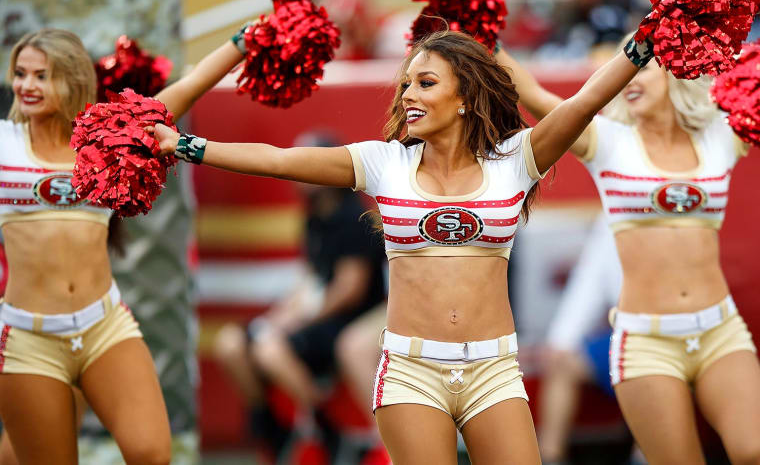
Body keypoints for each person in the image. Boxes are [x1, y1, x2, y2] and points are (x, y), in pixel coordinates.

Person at [149, 28, 650, 464]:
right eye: (407, 83)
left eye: (426, 83)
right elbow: (279, 160)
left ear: (467, 98)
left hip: (493, 369)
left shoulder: (516, 160)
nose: (409, 94)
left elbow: (583, 103)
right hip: (411, 371)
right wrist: (189, 146)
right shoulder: (383, 162)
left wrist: (643, 45)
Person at [496, 40, 760, 464]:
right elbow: (537, 97)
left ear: (676, 73)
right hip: (645, 341)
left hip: (720, 331)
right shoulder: (608, 142)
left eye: (643, 69)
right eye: (624, 72)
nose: (628, 80)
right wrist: (485, 36)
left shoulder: (722, 136)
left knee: (753, 449)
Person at [0, 27, 245, 464]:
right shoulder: (6, 142)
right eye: (21, 74)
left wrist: (243, 43)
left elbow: (186, 88)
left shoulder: (107, 136)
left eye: (42, 75)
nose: (27, 86)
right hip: (28, 339)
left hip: (104, 327)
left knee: (151, 453)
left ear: (73, 80)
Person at [213, 132, 387, 461]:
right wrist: (279, 317)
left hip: (348, 319)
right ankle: (270, 428)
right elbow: (309, 278)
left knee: (269, 349)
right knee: (230, 344)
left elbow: (349, 291)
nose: (297, 168)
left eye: (305, 158)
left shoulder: (354, 218)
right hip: (316, 316)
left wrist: (296, 321)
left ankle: (326, 430)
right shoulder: (313, 217)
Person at [538, 214, 622, 464]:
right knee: (562, 363)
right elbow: (592, 276)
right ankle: (549, 457)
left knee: (654, 379)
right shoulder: (614, 212)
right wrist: (562, 341)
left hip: (672, 342)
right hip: (623, 337)